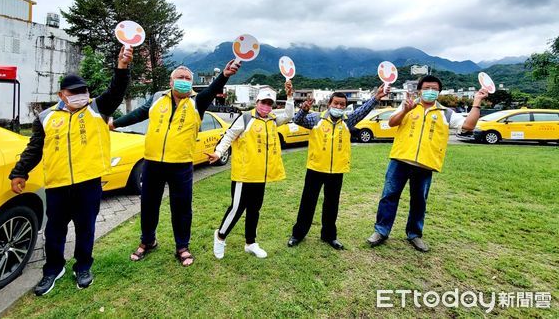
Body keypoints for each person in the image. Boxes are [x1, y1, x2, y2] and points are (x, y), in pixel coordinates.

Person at [9, 46, 133, 295]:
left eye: (83, 91)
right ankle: (53, 269)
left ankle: (83, 266)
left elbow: (117, 91)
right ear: (61, 94)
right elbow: (35, 149)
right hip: (57, 185)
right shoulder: (45, 117)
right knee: (55, 230)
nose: (80, 96)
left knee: (86, 228)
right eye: (74, 93)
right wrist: (19, 172)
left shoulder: (97, 108)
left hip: (88, 183)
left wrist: (122, 66)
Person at [111, 60, 240, 267]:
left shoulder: (198, 102)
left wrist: (224, 75)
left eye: (188, 79)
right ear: (170, 82)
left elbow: (213, 88)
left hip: (181, 165)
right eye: (179, 78)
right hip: (152, 163)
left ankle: (182, 246)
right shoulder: (156, 99)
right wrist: (114, 123)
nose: (184, 81)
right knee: (149, 205)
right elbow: (138, 114)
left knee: (181, 208)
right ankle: (148, 241)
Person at [367, 75, 488, 252]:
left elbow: (468, 125)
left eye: (434, 89)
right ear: (419, 90)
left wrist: (477, 102)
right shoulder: (408, 105)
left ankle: (414, 234)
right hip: (400, 160)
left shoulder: (446, 113)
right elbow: (392, 122)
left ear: (439, 92)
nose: (430, 92)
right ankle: (381, 231)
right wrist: (405, 111)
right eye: (427, 88)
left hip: (425, 165)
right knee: (389, 196)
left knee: (419, 201)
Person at [287, 86, 389, 250]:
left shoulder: (347, 120)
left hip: (337, 170)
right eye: (336, 103)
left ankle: (329, 236)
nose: (339, 107)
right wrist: (303, 110)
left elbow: (363, 110)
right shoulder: (316, 118)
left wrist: (376, 98)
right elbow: (297, 120)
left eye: (343, 104)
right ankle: (298, 234)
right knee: (307, 202)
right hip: (315, 168)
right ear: (329, 104)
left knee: (331, 204)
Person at [208, 81, 294, 259]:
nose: (266, 106)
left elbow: (288, 114)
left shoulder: (272, 120)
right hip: (244, 174)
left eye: (270, 104)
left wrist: (290, 95)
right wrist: (218, 152)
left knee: (254, 209)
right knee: (237, 208)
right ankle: (220, 236)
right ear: (257, 102)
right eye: (263, 102)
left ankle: (250, 243)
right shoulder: (246, 118)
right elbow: (229, 135)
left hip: (261, 175)